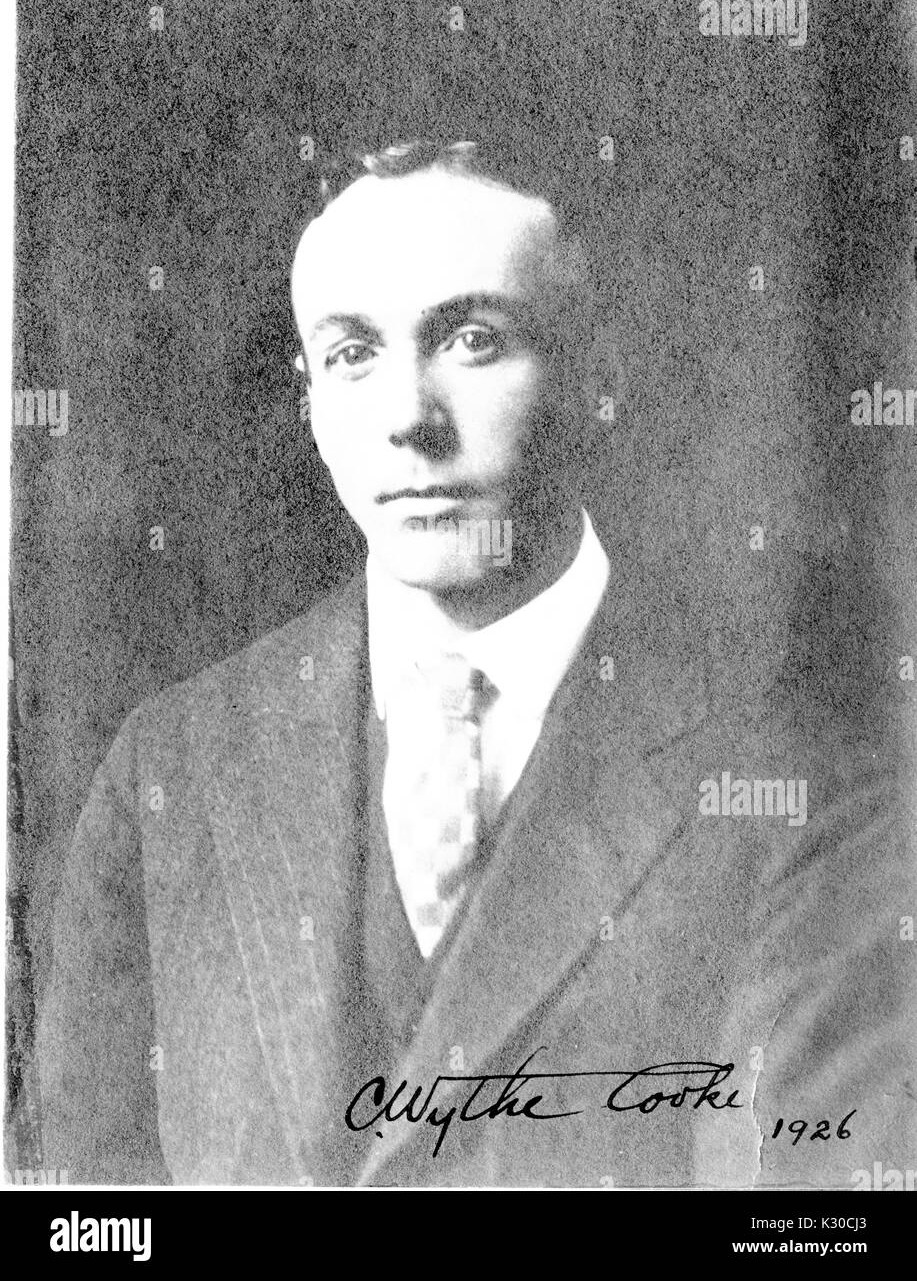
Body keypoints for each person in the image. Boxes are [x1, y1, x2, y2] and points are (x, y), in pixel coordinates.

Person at [36, 140, 914, 1187]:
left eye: (472, 338)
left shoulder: (801, 777)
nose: (409, 418)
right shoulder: (169, 767)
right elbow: (75, 1203)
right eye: (352, 353)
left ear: (600, 376)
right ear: (309, 402)